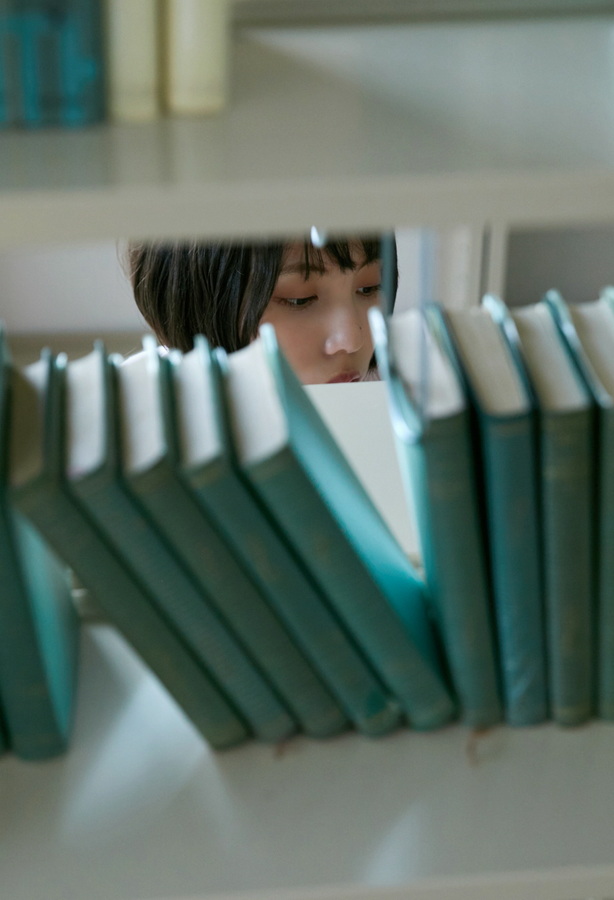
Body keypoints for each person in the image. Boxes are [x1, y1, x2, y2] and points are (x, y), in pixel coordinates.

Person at [127, 235, 397, 385]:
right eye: (299, 300)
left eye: (369, 288)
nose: (352, 340)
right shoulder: (141, 412)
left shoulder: (400, 402)